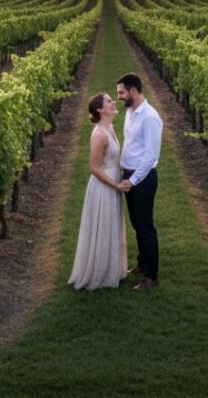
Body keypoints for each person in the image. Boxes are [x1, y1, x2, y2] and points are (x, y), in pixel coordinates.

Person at [68, 93, 128, 290]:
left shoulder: (110, 128)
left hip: (113, 180)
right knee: (103, 224)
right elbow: (94, 168)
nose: (113, 103)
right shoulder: (99, 135)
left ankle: (112, 269)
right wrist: (116, 185)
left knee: (111, 224)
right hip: (104, 186)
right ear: (100, 110)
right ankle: (99, 273)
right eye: (109, 101)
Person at [116, 73, 162, 291]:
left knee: (145, 227)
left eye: (121, 92)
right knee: (136, 224)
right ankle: (142, 264)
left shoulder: (150, 117)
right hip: (129, 176)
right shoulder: (130, 111)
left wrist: (132, 180)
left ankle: (151, 277)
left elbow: (151, 156)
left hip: (142, 179)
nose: (119, 97)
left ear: (134, 91)